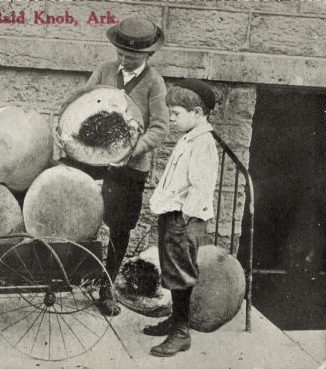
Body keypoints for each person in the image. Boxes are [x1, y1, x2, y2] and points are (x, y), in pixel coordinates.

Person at [59, 17, 169, 316]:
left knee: (120, 227)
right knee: (72, 205)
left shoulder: (154, 83)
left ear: (148, 55)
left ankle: (106, 287)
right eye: (121, 54)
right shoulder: (105, 70)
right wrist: (67, 127)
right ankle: (66, 274)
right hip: (94, 157)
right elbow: (83, 101)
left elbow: (160, 128)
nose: (125, 60)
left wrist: (134, 150)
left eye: (132, 57)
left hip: (130, 168)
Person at [146, 79, 219, 356]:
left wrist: (185, 217)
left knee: (181, 274)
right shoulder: (189, 137)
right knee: (172, 270)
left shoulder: (203, 143)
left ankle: (181, 332)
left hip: (184, 219)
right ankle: (175, 320)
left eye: (176, 113)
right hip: (173, 215)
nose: (172, 118)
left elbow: (202, 186)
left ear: (198, 113)